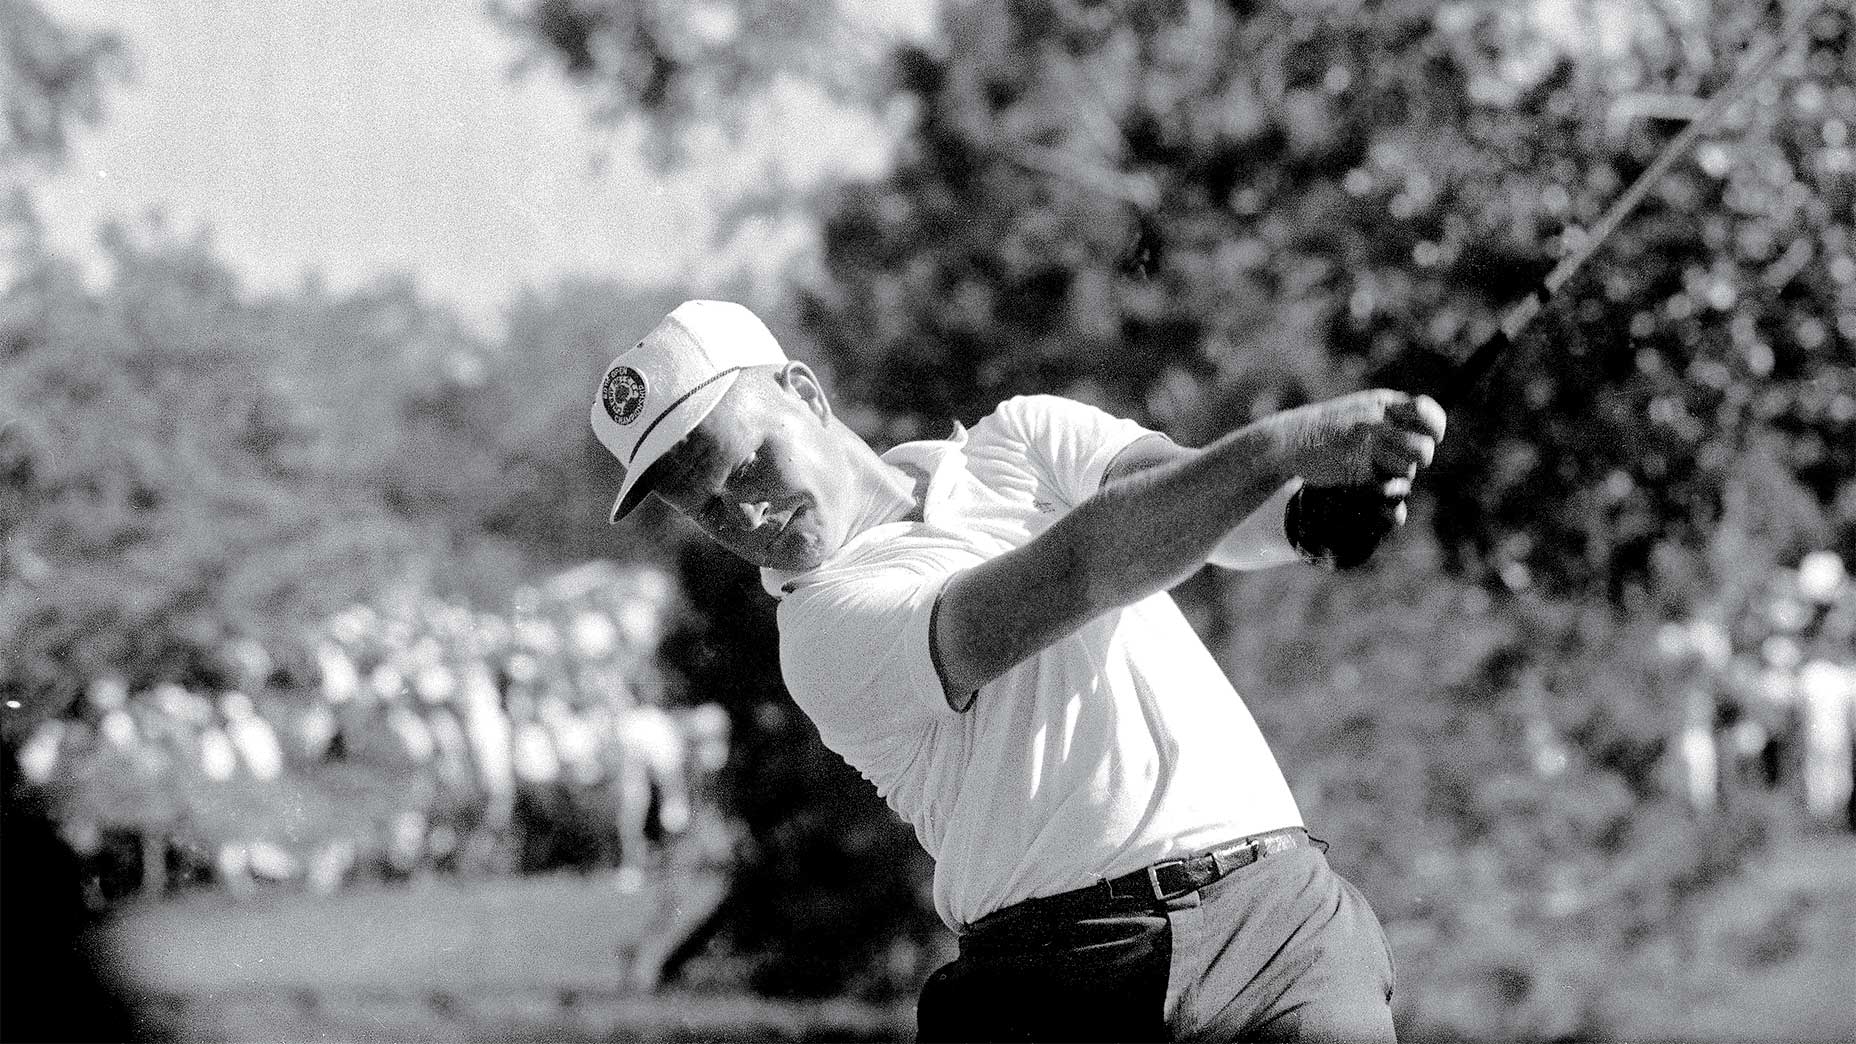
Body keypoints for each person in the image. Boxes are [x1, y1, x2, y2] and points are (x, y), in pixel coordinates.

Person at [589, 300, 1446, 1042]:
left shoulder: (1024, 438)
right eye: (706, 508)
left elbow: (1212, 512)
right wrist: (1287, 445)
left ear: (804, 395)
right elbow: (1075, 576)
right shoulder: (819, 631)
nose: (746, 511)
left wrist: (1306, 515)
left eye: (746, 464)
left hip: (1278, 932)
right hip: (1058, 979)